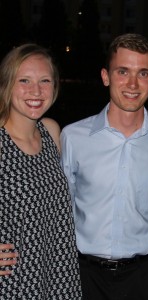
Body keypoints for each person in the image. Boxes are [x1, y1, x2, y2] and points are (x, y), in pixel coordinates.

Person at [60, 33, 148, 300]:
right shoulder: (73, 136)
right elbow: (59, 208)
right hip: (81, 274)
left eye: (143, 73)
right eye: (122, 71)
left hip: (143, 277)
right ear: (105, 76)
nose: (133, 83)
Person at [0, 44, 82, 299]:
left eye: (45, 81)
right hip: (15, 282)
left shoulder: (51, 131)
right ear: (7, 84)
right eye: (24, 80)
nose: (36, 91)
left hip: (58, 274)